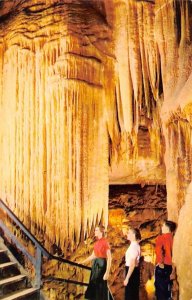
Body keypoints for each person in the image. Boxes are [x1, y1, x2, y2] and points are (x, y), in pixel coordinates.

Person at [81, 225, 112, 300]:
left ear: (101, 232)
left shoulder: (105, 242)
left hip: (101, 264)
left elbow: (109, 257)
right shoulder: (97, 243)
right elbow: (93, 256)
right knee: (94, 283)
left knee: (99, 285)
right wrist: (82, 262)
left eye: (96, 230)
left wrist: (107, 272)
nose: (94, 231)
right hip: (95, 264)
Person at [155, 220, 177, 300]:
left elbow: (159, 251)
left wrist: (160, 263)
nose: (162, 227)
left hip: (163, 266)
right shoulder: (173, 238)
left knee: (160, 291)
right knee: (168, 290)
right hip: (170, 267)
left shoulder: (161, 238)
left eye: (163, 226)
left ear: (168, 228)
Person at [123, 227, 141, 300]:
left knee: (130, 296)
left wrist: (127, 278)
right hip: (133, 271)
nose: (127, 234)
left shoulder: (134, 246)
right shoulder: (135, 245)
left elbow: (133, 264)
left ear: (133, 235)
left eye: (129, 233)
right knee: (133, 295)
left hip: (132, 272)